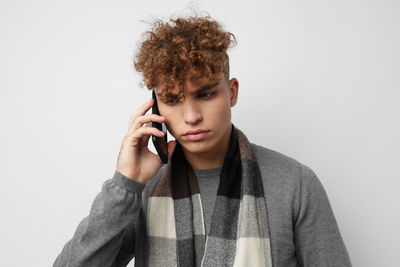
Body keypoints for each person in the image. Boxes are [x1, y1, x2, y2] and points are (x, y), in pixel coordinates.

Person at [54, 14, 352, 267]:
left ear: (232, 92)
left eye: (206, 94)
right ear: (155, 107)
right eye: (172, 99)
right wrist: (125, 184)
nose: (192, 115)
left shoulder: (295, 183)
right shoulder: (141, 191)